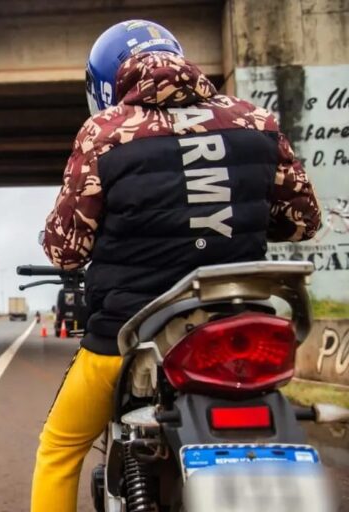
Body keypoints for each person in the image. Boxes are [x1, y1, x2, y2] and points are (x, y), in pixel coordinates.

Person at [31, 20, 321, 512]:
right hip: (239, 324)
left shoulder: (103, 132)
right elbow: (302, 223)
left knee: (59, 448)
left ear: (105, 83)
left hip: (131, 332)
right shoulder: (255, 120)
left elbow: (67, 251)